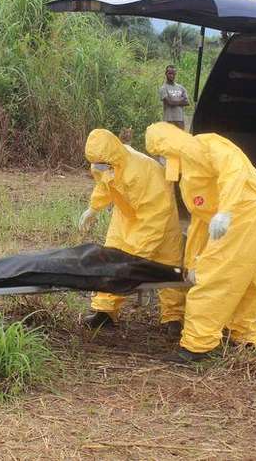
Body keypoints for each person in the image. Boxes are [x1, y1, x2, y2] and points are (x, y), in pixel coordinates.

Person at [145, 122, 256, 363]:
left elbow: (234, 170)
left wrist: (226, 211)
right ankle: (244, 336)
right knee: (252, 276)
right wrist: (193, 261)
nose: (163, 161)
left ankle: (197, 346)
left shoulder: (208, 144)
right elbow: (199, 221)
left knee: (216, 276)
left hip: (244, 212)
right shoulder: (187, 175)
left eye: (161, 154)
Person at [78, 129, 183, 329]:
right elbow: (104, 185)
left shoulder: (141, 172)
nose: (100, 168)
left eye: (103, 164)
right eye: (97, 164)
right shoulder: (104, 162)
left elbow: (154, 220)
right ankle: (105, 311)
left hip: (160, 218)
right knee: (111, 260)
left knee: (167, 265)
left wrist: (135, 254)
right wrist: (93, 208)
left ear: (113, 158)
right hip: (126, 217)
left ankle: (173, 317)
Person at [158, 65, 189, 130]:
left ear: (175, 74)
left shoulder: (181, 87)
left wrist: (173, 102)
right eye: (170, 73)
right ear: (166, 73)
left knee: (181, 138)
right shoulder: (163, 88)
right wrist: (181, 101)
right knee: (169, 139)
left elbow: (187, 102)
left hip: (180, 119)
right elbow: (169, 102)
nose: (172, 75)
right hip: (169, 120)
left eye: (174, 74)